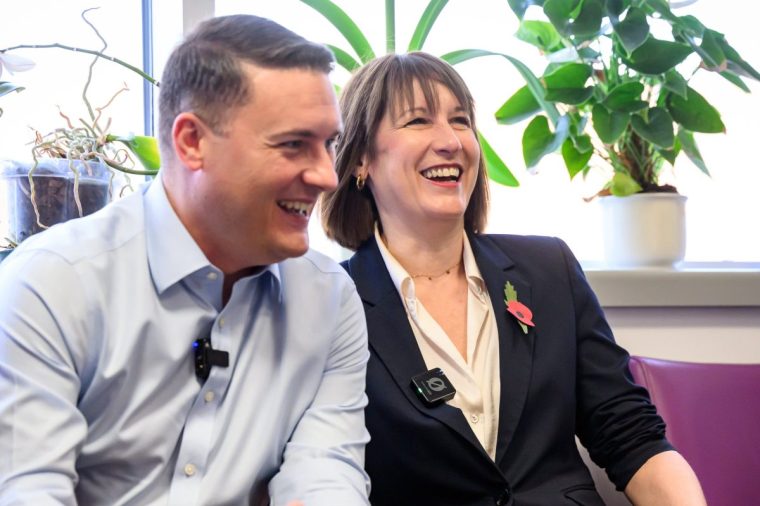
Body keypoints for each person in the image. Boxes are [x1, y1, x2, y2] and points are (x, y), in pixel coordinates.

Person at [0, 15, 371, 505]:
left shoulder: (330, 299)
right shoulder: (53, 283)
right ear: (191, 141)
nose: (327, 176)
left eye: (330, 144)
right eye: (293, 145)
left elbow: (325, 474)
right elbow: (29, 491)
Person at [321, 51, 706, 506]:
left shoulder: (548, 269)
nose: (450, 141)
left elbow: (631, 435)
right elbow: (329, 470)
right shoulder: (333, 302)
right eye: (418, 121)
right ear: (360, 159)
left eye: (461, 120)